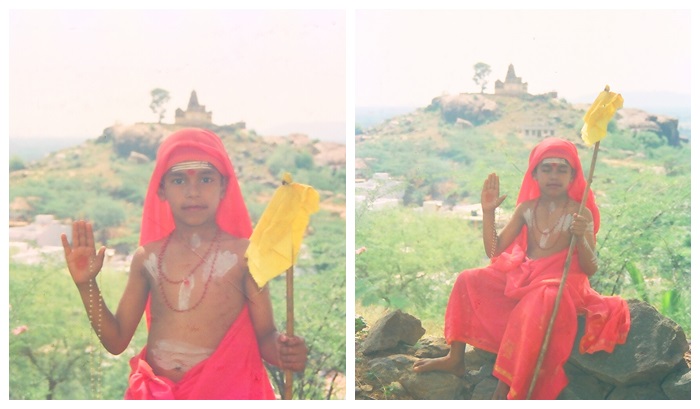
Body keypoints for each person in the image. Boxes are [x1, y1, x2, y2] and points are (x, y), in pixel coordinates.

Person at [61, 128, 308, 399]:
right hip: (155, 395)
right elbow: (116, 340)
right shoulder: (147, 258)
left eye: (205, 178)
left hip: (227, 392)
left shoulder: (245, 257)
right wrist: (86, 285)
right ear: (162, 189)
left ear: (224, 186)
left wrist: (285, 351)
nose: (193, 192)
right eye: (178, 180)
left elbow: (265, 338)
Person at [412, 137, 630, 400]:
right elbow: (494, 251)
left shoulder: (580, 211)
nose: (554, 175)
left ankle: (506, 387)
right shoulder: (526, 209)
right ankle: (455, 358)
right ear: (534, 174)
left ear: (573, 176)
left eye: (562, 169)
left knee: (538, 299)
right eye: (546, 168)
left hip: (559, 285)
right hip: (525, 276)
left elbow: (590, 268)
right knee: (468, 278)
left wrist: (582, 237)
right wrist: (488, 212)